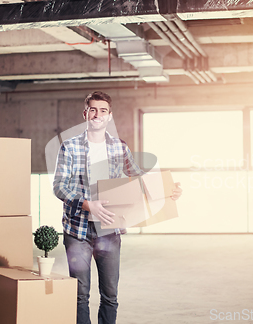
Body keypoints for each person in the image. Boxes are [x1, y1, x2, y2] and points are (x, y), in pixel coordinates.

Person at [53, 91, 182, 324]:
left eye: (103, 111)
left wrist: (168, 189)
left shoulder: (119, 147)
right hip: (77, 232)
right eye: (93, 109)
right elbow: (59, 186)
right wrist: (87, 204)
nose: (97, 115)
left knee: (110, 295)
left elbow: (139, 177)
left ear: (109, 116)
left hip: (109, 231)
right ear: (85, 113)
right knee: (80, 296)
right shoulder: (69, 147)